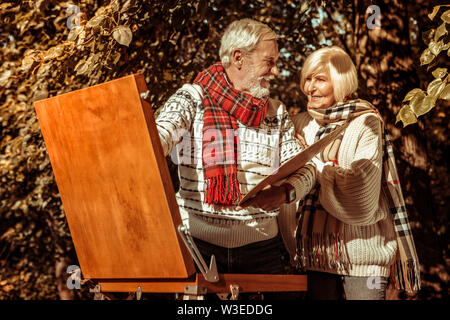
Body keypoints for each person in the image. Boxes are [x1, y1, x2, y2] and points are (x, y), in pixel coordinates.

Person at [155, 18, 316, 275]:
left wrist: (286, 193)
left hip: (263, 250)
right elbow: (157, 137)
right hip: (196, 247)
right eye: (269, 61)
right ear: (239, 58)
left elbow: (306, 171)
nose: (276, 71)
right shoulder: (192, 98)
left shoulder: (275, 111)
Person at [278, 46, 421, 300]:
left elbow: (360, 188)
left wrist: (312, 164)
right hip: (313, 255)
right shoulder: (300, 123)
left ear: (341, 83)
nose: (310, 87)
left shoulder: (365, 122)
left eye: (320, 80)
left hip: (363, 258)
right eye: (307, 79)